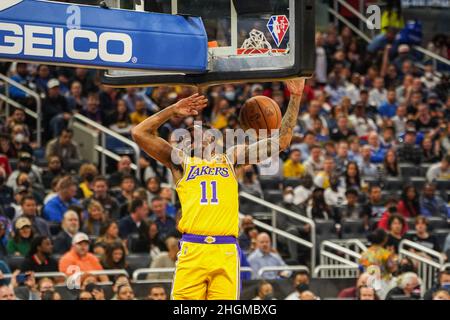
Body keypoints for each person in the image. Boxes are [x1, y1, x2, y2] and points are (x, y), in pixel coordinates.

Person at [131, 79, 305, 299]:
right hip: (193, 249)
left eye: (206, 134)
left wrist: (296, 96)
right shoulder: (181, 163)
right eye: (194, 136)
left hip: (226, 250)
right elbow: (139, 133)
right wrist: (173, 110)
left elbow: (281, 140)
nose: (201, 139)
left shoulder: (231, 160)